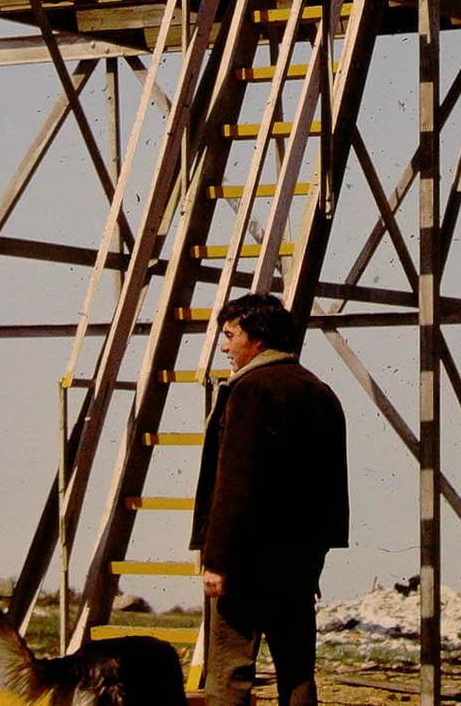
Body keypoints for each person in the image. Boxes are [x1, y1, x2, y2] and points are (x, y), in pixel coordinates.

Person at [190, 292, 348, 706]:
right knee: (297, 670)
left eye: (229, 335)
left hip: (246, 561)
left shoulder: (250, 390)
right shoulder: (320, 391)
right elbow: (331, 491)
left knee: (229, 670)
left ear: (256, 338)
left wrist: (217, 559)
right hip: (299, 561)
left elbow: (235, 483)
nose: (223, 346)